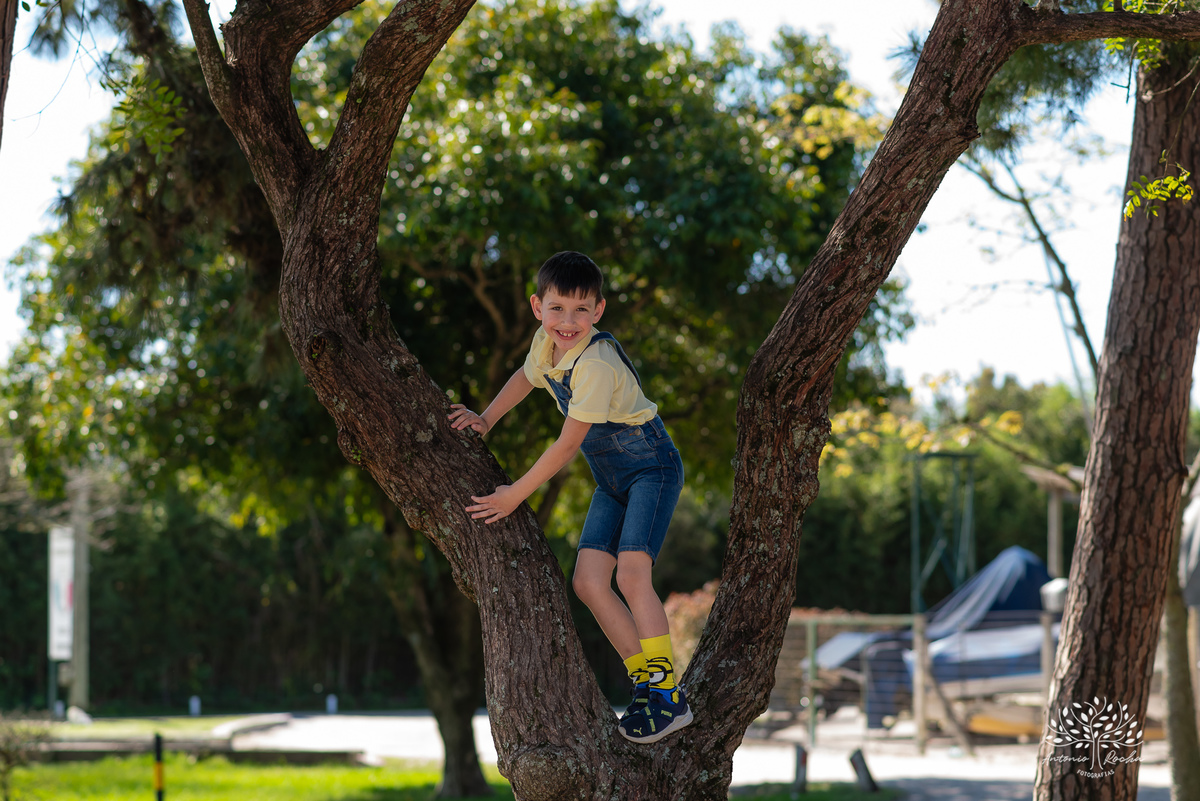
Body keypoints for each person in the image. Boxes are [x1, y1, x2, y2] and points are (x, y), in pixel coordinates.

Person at [447, 250, 691, 744]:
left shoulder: (596, 363)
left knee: (631, 572)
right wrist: (486, 420)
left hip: (652, 470)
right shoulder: (545, 345)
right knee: (587, 582)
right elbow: (525, 378)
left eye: (581, 310)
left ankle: (668, 695)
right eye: (557, 308)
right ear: (538, 306)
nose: (567, 321)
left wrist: (515, 494)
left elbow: (568, 443)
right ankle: (644, 679)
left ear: (599, 311)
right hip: (612, 480)